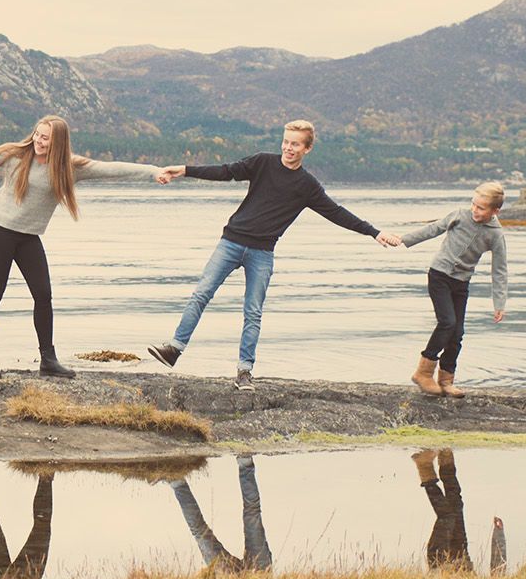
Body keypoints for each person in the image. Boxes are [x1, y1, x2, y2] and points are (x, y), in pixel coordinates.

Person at [147, 119, 400, 390]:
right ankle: (174, 349)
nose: (288, 148)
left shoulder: (307, 186)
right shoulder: (263, 162)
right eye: (286, 142)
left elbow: (336, 213)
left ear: (307, 149)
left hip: (262, 252)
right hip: (231, 242)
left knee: (253, 312)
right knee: (201, 294)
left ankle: (244, 372)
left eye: (295, 144)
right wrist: (184, 170)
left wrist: (374, 232)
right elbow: (225, 171)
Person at [0, 115, 169, 378]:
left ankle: (48, 360)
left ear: (57, 141)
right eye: (37, 134)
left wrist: (153, 171)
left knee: (43, 295)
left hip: (28, 238)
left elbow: (111, 169)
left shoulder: (70, 167)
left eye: (45, 137)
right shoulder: (15, 155)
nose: (39, 140)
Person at [397, 181, 509, 397]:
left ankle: (446, 380)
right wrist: (403, 239)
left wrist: (499, 303)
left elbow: (500, 270)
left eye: (481, 208)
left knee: (457, 333)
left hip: (461, 283)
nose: (475, 210)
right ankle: (423, 373)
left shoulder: (496, 234)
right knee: (447, 322)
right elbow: (433, 229)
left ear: (495, 210)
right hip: (439, 276)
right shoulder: (459, 215)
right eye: (473, 205)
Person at [168, 453, 273, 574]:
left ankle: (176, 481)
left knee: (200, 532)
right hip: (259, 576)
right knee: (252, 512)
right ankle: (245, 464)